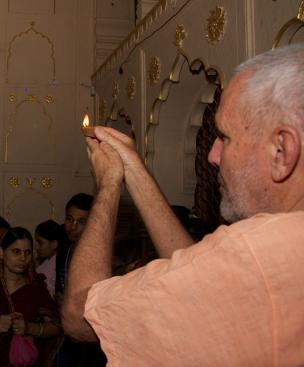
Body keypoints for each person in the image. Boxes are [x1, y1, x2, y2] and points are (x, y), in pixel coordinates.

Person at [62, 43, 304, 365]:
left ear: (281, 151)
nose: (212, 155)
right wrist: (134, 171)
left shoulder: (254, 252)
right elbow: (191, 265)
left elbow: (80, 314)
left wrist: (107, 186)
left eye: (225, 137)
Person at [0, 227, 62, 366]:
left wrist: (29, 328)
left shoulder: (35, 287)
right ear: (2, 253)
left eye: (27, 252)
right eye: (16, 252)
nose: (23, 258)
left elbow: (57, 326)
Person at [55, 192, 94, 303]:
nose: (73, 227)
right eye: (69, 219)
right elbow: (59, 286)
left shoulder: (98, 255)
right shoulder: (64, 249)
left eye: (81, 222)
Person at [35, 219, 60, 298]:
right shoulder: (46, 262)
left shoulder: (58, 265)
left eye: (40, 242)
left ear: (54, 244)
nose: (37, 247)